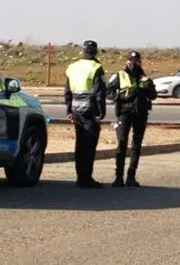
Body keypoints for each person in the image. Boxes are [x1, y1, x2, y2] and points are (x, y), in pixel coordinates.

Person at [106, 51, 158, 187]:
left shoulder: (144, 78)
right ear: (126, 61)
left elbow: (153, 96)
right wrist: (121, 96)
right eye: (131, 60)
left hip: (140, 114)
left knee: (136, 145)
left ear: (140, 62)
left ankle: (131, 176)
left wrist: (149, 85)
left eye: (136, 60)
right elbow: (108, 93)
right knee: (122, 142)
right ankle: (118, 177)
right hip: (124, 113)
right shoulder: (119, 75)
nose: (133, 63)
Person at [64, 39, 108, 188]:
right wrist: (101, 112)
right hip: (90, 110)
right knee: (89, 145)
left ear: (83, 51)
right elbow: (99, 93)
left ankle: (80, 177)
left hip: (76, 109)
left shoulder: (72, 67)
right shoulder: (96, 67)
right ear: (95, 52)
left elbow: (67, 91)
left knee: (79, 143)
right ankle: (86, 178)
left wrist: (68, 110)